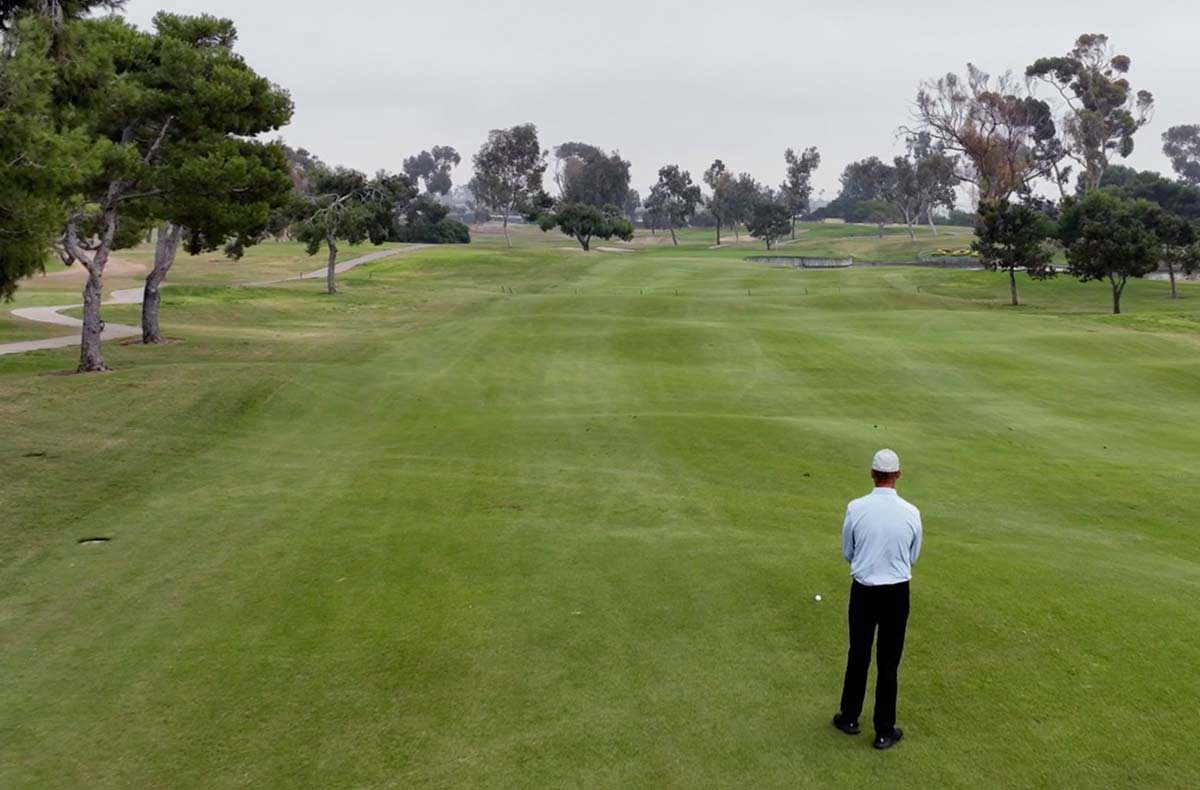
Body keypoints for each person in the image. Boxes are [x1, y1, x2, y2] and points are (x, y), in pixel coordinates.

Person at [832, 449, 922, 750]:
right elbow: (913, 556)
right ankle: (884, 730)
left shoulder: (856, 508)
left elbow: (848, 551)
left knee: (858, 654)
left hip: (864, 589)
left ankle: (850, 717)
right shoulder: (911, 512)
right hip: (897, 592)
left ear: (872, 473)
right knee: (888, 661)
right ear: (898, 475)